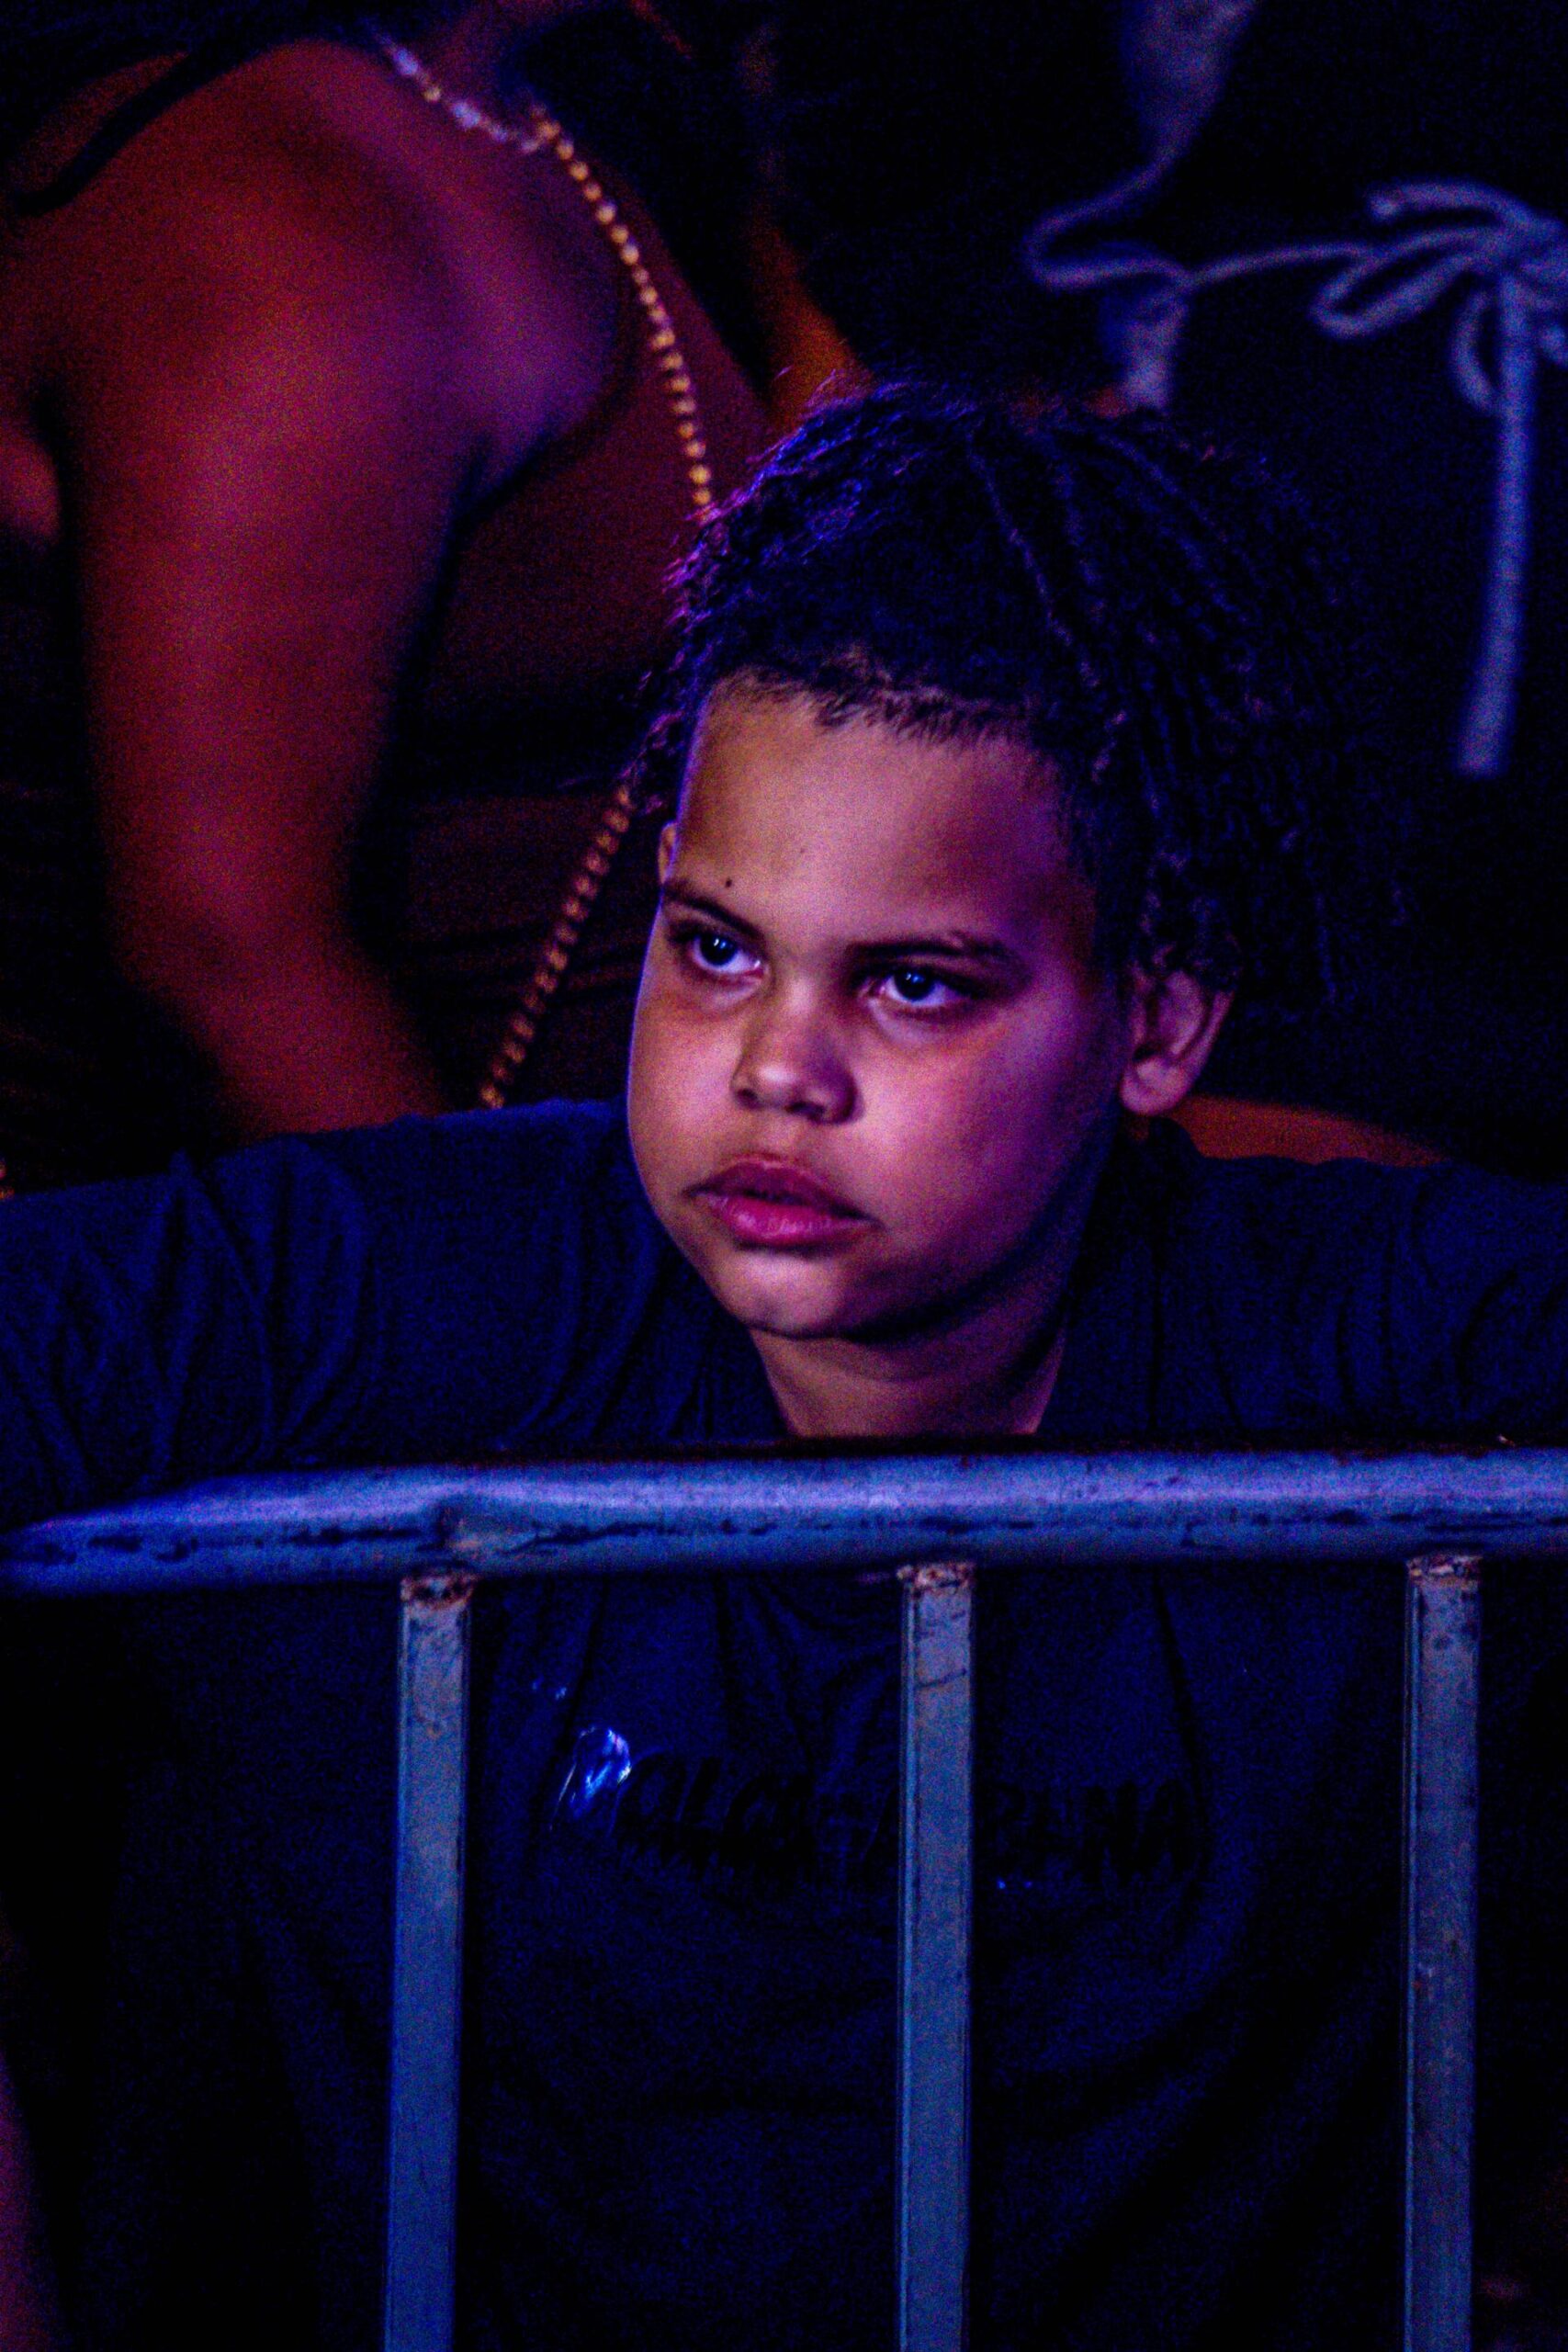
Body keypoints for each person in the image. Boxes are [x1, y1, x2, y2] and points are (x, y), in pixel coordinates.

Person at [3, 383, 1568, 2346]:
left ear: (1157, 1021)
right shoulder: (420, 1284)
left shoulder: (1348, 1327)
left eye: (911, 982)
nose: (774, 1070)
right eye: (716, 946)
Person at [0, 0, 770, 1189]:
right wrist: (510, 1297)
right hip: (284, 1274)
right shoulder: (280, 217)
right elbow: (226, 965)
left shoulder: (532, 108)